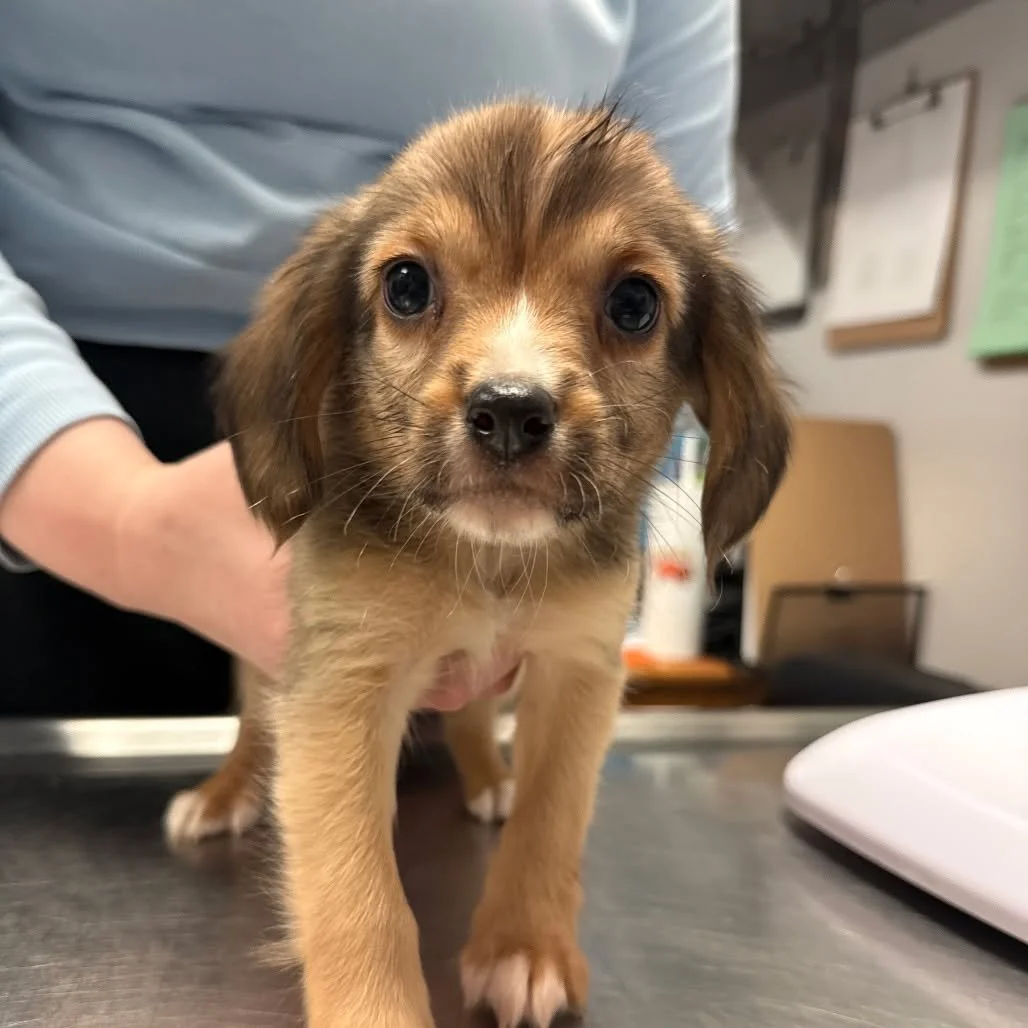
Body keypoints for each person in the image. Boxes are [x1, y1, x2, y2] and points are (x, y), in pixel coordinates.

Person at [0, 0, 738, 717]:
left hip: (454, 456)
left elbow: (688, 251)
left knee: (433, 801)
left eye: (628, 306)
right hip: (52, 435)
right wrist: (122, 521)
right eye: (410, 286)